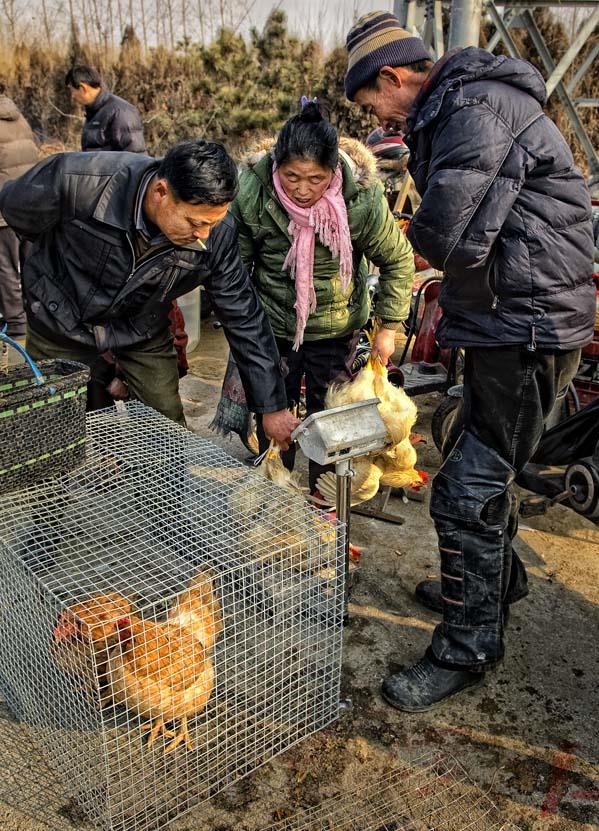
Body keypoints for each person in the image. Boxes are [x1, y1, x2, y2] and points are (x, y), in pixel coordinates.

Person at [345, 11, 595, 709]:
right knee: (477, 467)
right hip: (509, 318)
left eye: (373, 104)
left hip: (529, 327)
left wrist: (396, 246)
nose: (379, 119)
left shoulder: (472, 107)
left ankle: (469, 645)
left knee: (465, 490)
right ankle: (495, 582)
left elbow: (449, 231)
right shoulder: (466, 103)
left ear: (394, 78)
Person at [0, 139, 298, 446]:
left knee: (167, 430)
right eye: (196, 222)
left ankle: (165, 486)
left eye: (214, 223)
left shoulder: (216, 237)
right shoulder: (77, 181)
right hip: (59, 317)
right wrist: (53, 280)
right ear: (160, 193)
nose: (204, 235)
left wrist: (271, 406)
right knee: (50, 426)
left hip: (141, 324)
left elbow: (243, 316)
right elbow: (14, 210)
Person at [229, 100, 415, 492]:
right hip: (274, 325)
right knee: (273, 413)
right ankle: (273, 492)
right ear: (275, 165)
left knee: (332, 422)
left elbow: (397, 259)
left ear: (333, 171)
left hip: (336, 327)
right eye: (292, 176)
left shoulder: (361, 200)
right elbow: (235, 268)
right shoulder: (253, 192)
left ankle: (323, 502)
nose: (302, 189)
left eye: (315, 178)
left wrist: (389, 327)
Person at [0, 90, 38, 338]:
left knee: (5, 267)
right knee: (30, 264)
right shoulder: (18, 117)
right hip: (28, 203)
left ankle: (15, 324)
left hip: (3, 208)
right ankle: (36, 316)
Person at [65, 65, 146, 153]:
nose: (72, 96)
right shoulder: (93, 111)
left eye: (72, 91)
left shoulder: (120, 112)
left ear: (83, 88)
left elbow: (134, 157)